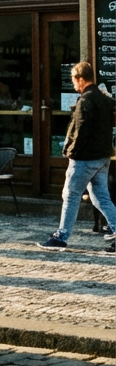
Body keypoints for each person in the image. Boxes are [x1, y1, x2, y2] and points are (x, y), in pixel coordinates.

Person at [41, 61, 116, 250]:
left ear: (81, 79)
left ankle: (61, 237)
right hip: (103, 157)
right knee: (100, 196)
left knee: (71, 194)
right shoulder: (105, 99)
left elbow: (81, 130)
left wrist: (70, 151)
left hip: (85, 158)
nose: (73, 84)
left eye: (74, 80)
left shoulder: (86, 100)